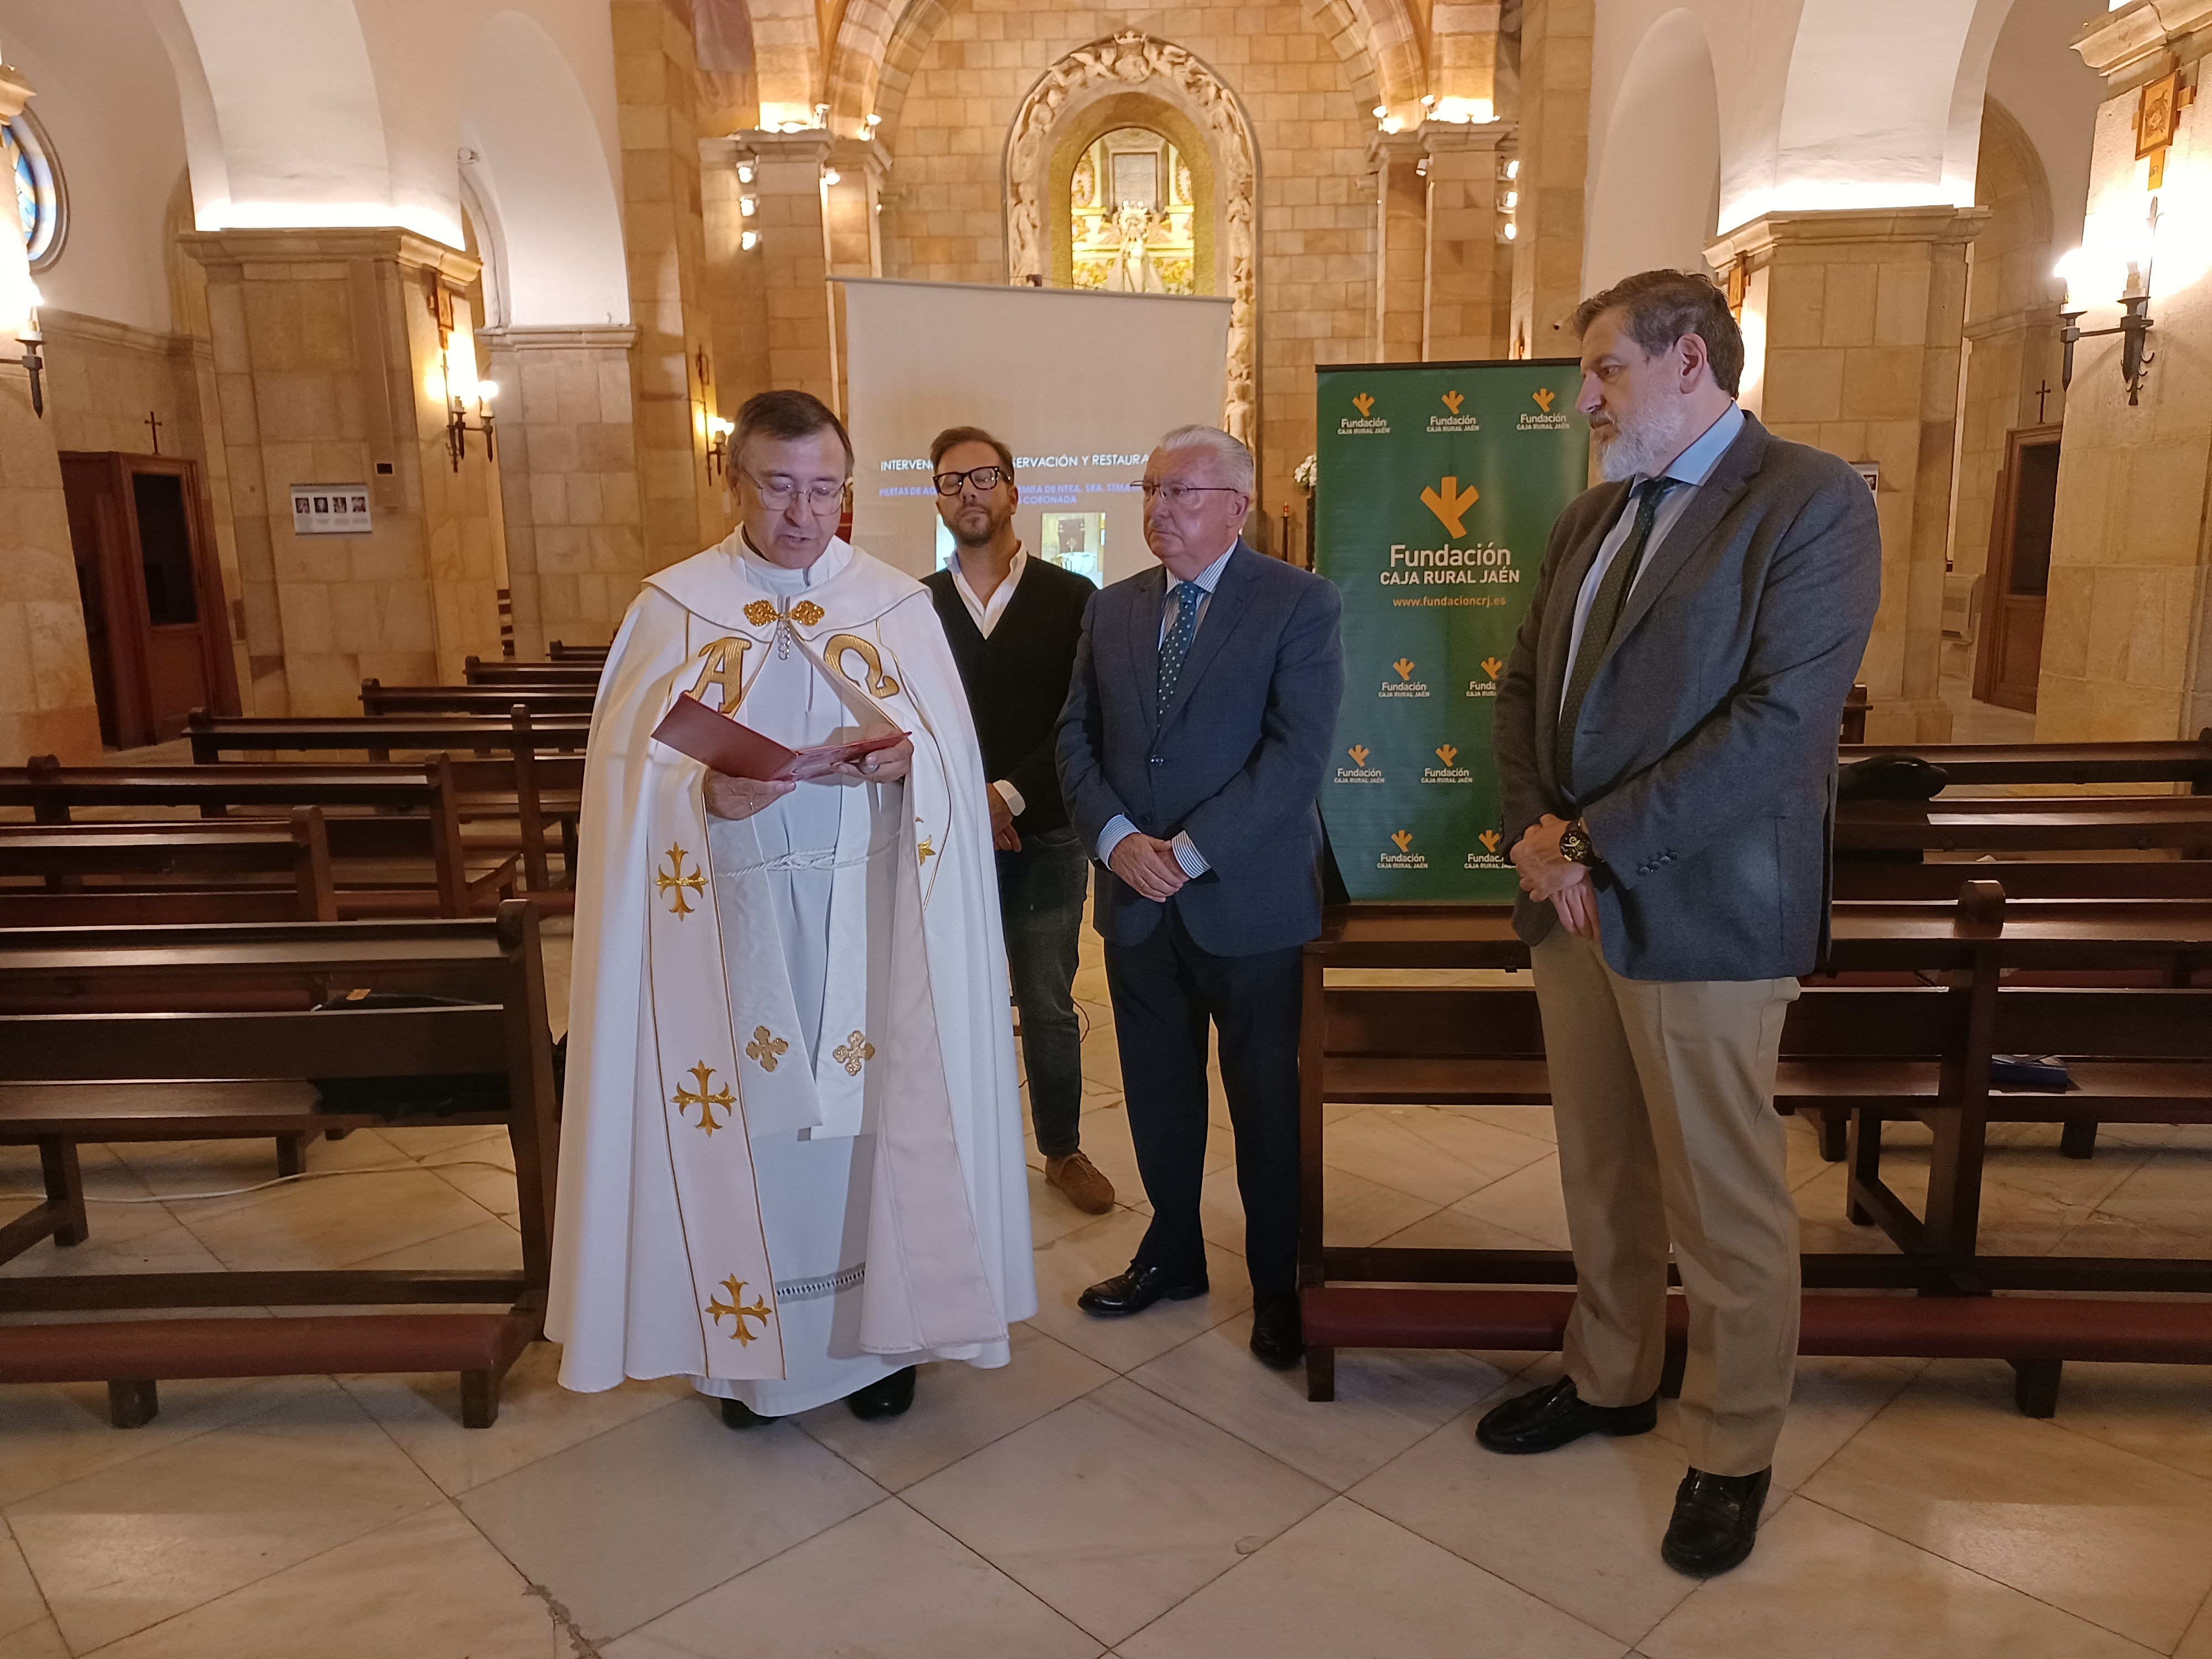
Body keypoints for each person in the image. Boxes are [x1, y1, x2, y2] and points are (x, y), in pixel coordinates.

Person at [1484, 269, 1880, 1577]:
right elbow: (1525, 681)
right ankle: (1609, 1375)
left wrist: (1593, 840)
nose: (1582, 395)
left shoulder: (1808, 502)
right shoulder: (1592, 517)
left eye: (1601, 369)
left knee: (1721, 1197)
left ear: (1690, 363)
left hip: (1706, 907)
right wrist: (1543, 843)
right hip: (1573, 903)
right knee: (1602, 1170)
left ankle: (1730, 1444)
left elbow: (1777, 726)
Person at [547, 389, 1036, 1428]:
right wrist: (700, 797)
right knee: (758, 1135)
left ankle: (883, 1342)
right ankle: (749, 1361)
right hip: (725, 933)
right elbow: (626, 786)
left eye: (823, 489)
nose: (803, 513)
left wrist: (915, 766)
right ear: (735, 482)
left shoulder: (894, 605)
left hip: (870, 920)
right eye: (778, 486)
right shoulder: (673, 606)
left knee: (867, 1129)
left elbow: (954, 759)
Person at [1056, 424, 1344, 1369]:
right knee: (1158, 1097)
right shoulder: (1112, 609)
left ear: (1236, 504)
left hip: (1247, 902)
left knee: (1264, 1104)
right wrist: (1116, 841)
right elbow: (1075, 743)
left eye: (1179, 492)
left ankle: (1276, 1284)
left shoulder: (1300, 604)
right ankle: (1173, 1250)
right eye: (1149, 491)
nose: (1157, 510)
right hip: (1137, 903)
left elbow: (1296, 756)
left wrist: (1187, 851)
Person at [922, 426, 1113, 1215]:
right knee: (947, 999)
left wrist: (1009, 797)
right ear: (937, 498)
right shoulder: (915, 606)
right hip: (946, 835)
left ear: (1013, 490)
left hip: (1048, 835)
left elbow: (1084, 722)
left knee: (1045, 1000)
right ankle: (953, 1150)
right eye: (951, 480)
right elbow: (914, 722)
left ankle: (1062, 1149)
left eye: (984, 476)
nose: (969, 491)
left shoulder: (1074, 600)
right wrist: (973, 804)